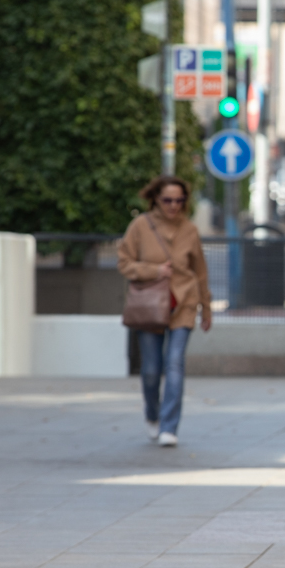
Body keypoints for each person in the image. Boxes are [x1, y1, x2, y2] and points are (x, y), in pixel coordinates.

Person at [118, 176, 212, 448]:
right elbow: (124, 263)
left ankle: (170, 426)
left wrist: (206, 308)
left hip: (182, 304)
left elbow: (201, 272)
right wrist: (154, 271)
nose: (174, 205)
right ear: (156, 199)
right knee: (150, 370)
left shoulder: (189, 230)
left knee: (174, 364)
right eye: (168, 200)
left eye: (179, 200)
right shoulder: (140, 226)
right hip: (149, 305)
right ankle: (152, 414)